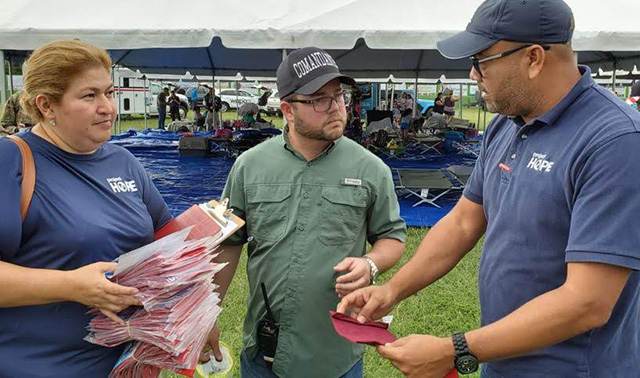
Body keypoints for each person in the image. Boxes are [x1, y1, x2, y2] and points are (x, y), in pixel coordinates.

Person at [338, 1, 640, 378]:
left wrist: (455, 350)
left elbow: (588, 302)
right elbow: (464, 221)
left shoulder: (615, 140)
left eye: (482, 60)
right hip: (503, 358)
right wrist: (392, 290)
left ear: (533, 58)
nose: (472, 73)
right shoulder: (506, 126)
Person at [202, 46, 407, 378]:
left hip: (335, 353)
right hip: (264, 351)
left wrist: (371, 262)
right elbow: (228, 243)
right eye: (318, 99)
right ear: (287, 109)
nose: (336, 107)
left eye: (339, 96)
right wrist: (205, 315)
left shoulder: (371, 169)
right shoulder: (249, 167)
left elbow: (392, 237)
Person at [0, 40, 173, 377]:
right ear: (47, 105)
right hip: (37, 366)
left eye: (109, 92)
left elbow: (165, 236)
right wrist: (70, 286)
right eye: (90, 96)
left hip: (126, 364)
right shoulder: (11, 161)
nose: (109, 107)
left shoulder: (123, 161)